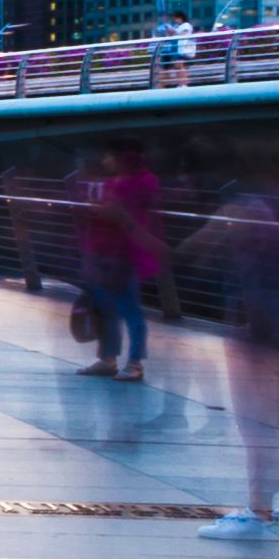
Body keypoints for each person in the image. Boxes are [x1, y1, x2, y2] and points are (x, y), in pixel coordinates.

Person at [180, 137, 279, 538]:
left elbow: (193, 248)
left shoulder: (245, 206)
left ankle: (258, 510)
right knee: (278, 412)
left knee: (254, 417)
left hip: (254, 315)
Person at [72, 136, 168, 382]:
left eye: (109, 157)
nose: (105, 161)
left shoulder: (138, 183)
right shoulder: (114, 183)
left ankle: (133, 362)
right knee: (106, 309)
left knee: (129, 310)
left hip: (122, 254)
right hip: (102, 252)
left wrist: (102, 210)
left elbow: (124, 214)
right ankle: (108, 358)